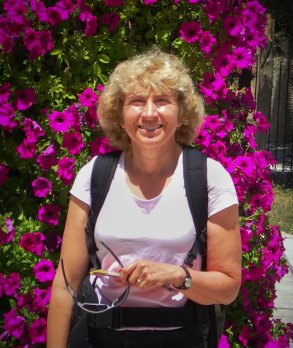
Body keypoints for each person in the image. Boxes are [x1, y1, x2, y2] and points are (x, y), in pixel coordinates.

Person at [47, 48, 242, 348]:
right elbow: (65, 285)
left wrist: (178, 275)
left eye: (162, 101)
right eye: (137, 101)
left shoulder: (208, 178)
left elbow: (228, 287)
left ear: (181, 114)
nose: (149, 113)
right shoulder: (94, 176)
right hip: (102, 339)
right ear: (120, 116)